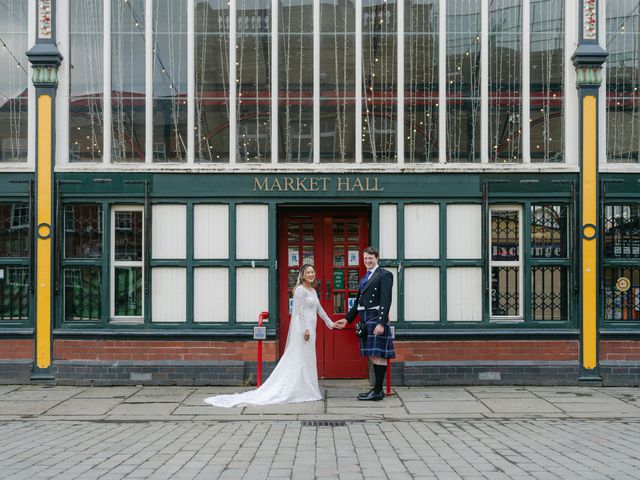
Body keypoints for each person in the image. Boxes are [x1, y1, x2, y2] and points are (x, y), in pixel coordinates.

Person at [204, 264, 343, 407]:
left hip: (311, 329)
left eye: (313, 272)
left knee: (307, 358)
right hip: (304, 330)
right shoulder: (300, 290)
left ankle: (308, 389)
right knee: (299, 357)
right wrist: (305, 330)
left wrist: (331, 323)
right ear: (302, 275)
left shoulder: (313, 290)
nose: (311, 274)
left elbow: (319, 309)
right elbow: (299, 312)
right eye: (308, 272)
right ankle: (299, 389)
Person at [334, 246, 394, 401]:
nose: (367, 261)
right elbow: (358, 302)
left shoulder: (385, 275)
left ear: (377, 258)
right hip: (365, 317)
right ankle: (376, 389)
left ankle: (378, 391)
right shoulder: (365, 277)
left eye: (370, 258)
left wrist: (381, 323)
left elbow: (386, 300)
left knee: (378, 355)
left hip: (375, 316)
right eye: (365, 258)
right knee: (373, 356)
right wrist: (347, 319)